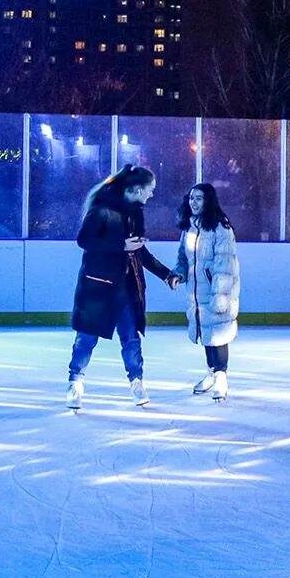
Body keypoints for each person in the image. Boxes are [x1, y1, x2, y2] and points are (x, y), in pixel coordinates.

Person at [66, 165, 180, 409]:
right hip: (98, 288)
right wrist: (120, 245)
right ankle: (75, 382)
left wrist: (165, 274)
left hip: (128, 288)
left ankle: (137, 382)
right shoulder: (101, 210)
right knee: (86, 338)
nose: (152, 195)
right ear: (138, 189)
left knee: (131, 338)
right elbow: (84, 240)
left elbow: (139, 251)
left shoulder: (135, 213)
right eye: (150, 190)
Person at [173, 183, 240, 401]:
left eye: (199, 198)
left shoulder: (221, 228)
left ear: (208, 201)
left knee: (218, 332)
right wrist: (178, 274)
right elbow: (182, 258)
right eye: (191, 198)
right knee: (206, 332)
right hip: (196, 290)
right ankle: (211, 373)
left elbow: (224, 265)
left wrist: (219, 296)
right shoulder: (190, 227)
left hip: (217, 290)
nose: (193, 202)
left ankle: (221, 376)